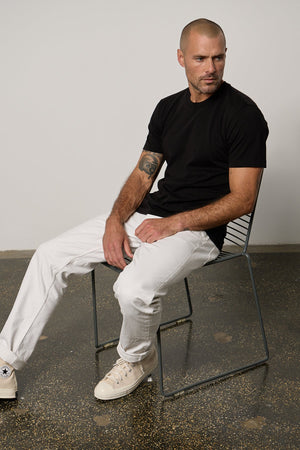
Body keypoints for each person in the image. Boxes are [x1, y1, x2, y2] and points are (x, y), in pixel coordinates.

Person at [0, 18, 268, 401]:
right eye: (200, 58)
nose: (211, 68)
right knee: (49, 255)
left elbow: (244, 199)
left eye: (219, 57)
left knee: (132, 288)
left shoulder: (243, 115)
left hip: (198, 232)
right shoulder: (168, 109)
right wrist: (115, 221)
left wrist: (175, 223)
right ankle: (5, 362)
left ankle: (137, 359)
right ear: (180, 58)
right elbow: (143, 176)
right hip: (153, 217)